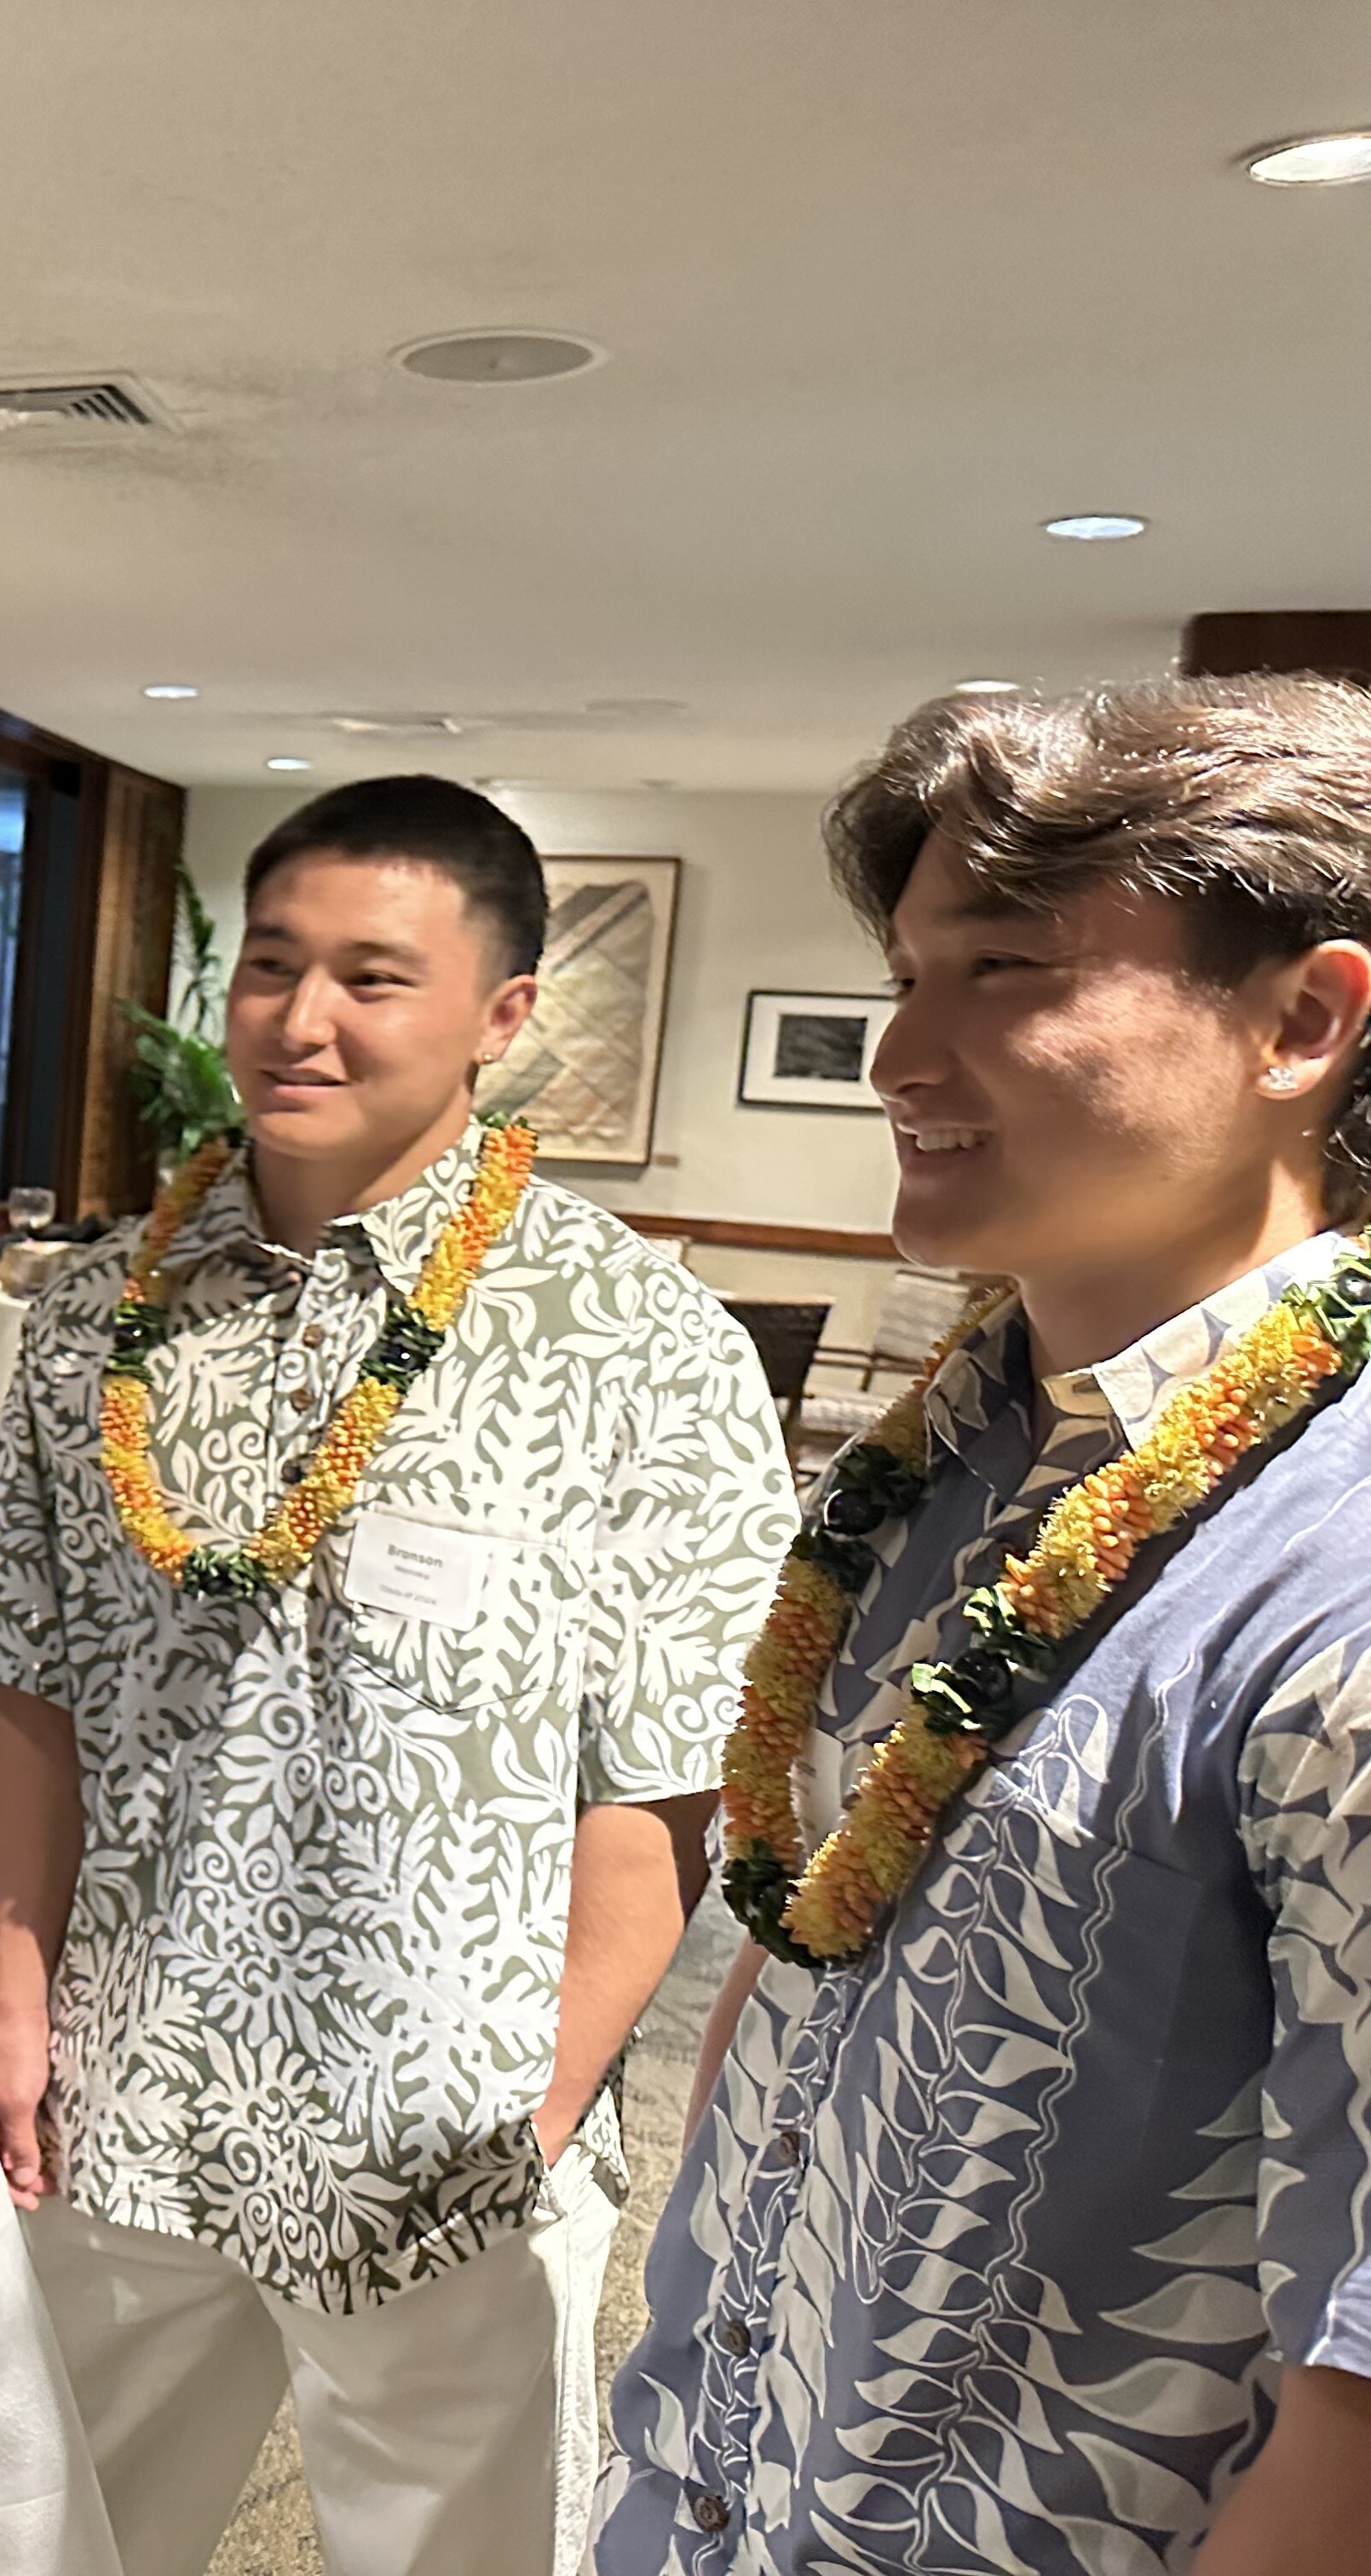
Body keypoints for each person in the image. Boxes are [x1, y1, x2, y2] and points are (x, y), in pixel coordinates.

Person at [0, 776, 794, 2576]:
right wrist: (19, 2005)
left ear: (500, 1013)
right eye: (270, 966)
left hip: (449, 2142)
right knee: (42, 2533)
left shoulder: (640, 1346)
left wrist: (532, 2118)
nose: (301, 1019)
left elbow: (660, 1789)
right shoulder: (98, 1313)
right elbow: (38, 1683)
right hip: (127, 2091)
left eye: (373, 977)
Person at [595, 677, 1371, 2573]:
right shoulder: (956, 1445)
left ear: (1308, 1018)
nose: (899, 1054)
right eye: (910, 971)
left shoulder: (1340, 1563)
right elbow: (806, 1940)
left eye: (1009, 971)